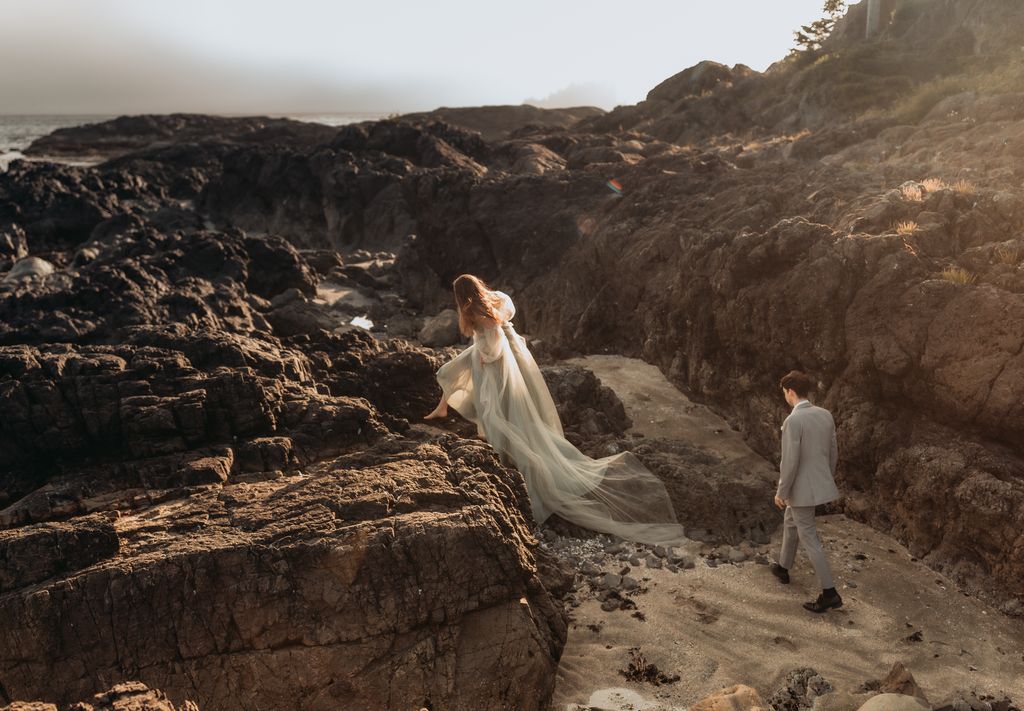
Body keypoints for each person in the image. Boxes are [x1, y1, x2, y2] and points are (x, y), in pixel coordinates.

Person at [425, 274, 686, 546]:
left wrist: (483, 355)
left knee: (494, 407)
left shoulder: (472, 312)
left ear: (460, 296)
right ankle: (443, 407)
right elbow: (509, 311)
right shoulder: (498, 298)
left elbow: (493, 348)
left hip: (498, 362)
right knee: (471, 381)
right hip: (515, 354)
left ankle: (491, 441)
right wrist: (491, 340)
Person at [769, 370, 843, 613]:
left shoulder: (793, 421)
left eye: (785, 394)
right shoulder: (825, 415)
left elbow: (789, 462)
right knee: (791, 522)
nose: (785, 398)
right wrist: (825, 479)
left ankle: (829, 592)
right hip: (817, 485)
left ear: (790, 392)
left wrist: (782, 492)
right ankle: (783, 566)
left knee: (809, 537)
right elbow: (833, 453)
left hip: (801, 489)